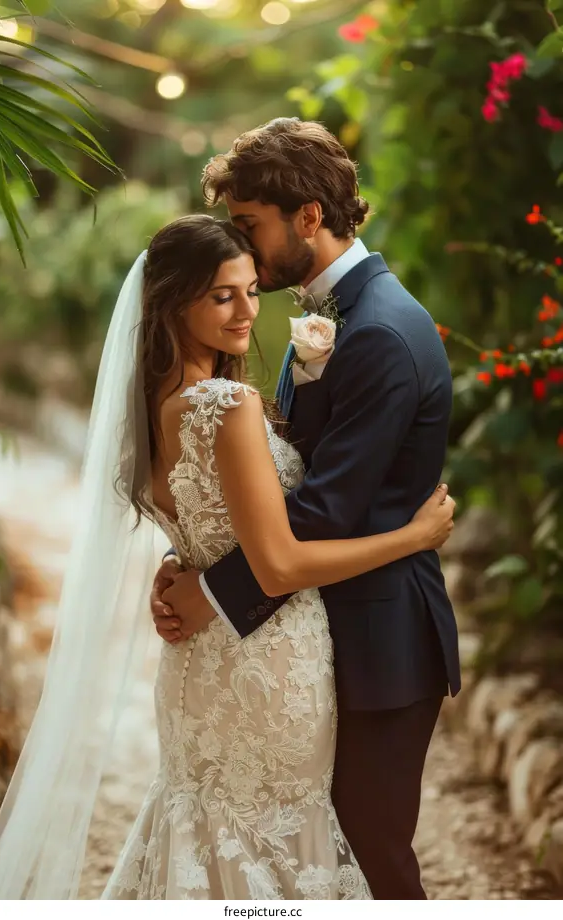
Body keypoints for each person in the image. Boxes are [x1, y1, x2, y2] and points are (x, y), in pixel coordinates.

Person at [0, 213, 454, 900]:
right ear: (174, 301)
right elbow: (280, 565)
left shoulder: (151, 405)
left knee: (200, 824)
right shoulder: (226, 405)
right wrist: (414, 536)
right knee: (276, 846)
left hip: (199, 669)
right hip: (269, 665)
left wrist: (185, 568)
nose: (247, 311)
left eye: (252, 291)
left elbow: (203, 525)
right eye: (222, 295)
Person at [151, 118, 462, 900]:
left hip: (380, 639)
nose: (246, 251)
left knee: (375, 863)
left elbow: (319, 516)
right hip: (318, 638)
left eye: (252, 227)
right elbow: (270, 486)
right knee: (313, 866)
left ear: (310, 217)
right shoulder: (325, 317)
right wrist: (188, 552)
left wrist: (210, 592)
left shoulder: (383, 332)